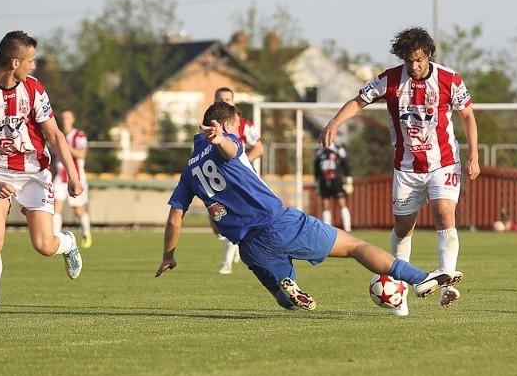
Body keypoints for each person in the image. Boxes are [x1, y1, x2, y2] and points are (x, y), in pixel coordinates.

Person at [155, 102, 463, 311]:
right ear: (223, 125)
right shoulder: (227, 144)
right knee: (355, 246)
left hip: (248, 246)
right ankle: (419, 277)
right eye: (236, 127)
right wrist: (223, 138)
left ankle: (289, 288)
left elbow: (174, 218)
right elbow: (231, 147)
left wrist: (169, 255)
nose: (239, 133)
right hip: (279, 223)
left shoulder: (189, 171)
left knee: (280, 295)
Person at [319, 27, 480, 316]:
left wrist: (474, 155)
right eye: (409, 60)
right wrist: (334, 123)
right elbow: (359, 101)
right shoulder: (390, 79)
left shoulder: (449, 79)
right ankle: (399, 291)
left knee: (445, 213)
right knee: (405, 227)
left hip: (443, 162)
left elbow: (467, 114)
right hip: (406, 168)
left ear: (428, 55)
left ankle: (446, 281)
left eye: (419, 59)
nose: (415, 66)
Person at [0, 30, 84, 322]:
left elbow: (54, 135)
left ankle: (67, 243)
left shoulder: (35, 89)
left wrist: (73, 175)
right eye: (32, 61)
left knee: (44, 246)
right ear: (15, 63)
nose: (35, 66)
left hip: (34, 173)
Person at [212, 87, 264, 275]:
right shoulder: (208, 125)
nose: (224, 102)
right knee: (220, 220)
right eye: (220, 99)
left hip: (240, 178)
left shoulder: (242, 124)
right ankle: (236, 245)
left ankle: (227, 263)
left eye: (228, 99)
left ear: (234, 102)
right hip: (217, 177)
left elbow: (259, 148)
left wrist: (242, 164)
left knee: (235, 218)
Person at [53, 109, 92, 248]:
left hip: (75, 177)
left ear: (73, 119)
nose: (65, 120)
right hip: (59, 177)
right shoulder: (58, 135)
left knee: (78, 210)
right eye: (63, 118)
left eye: (68, 118)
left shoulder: (79, 135)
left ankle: (86, 232)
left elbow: (81, 155)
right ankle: (56, 236)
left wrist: (66, 147)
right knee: (56, 206)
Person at [313, 141, 353, 232]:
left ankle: (347, 228)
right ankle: (326, 229)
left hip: (336, 180)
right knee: (325, 204)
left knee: (341, 203)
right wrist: (316, 181)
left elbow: (345, 164)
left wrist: (348, 178)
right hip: (324, 181)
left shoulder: (339, 149)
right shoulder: (319, 151)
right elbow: (316, 168)